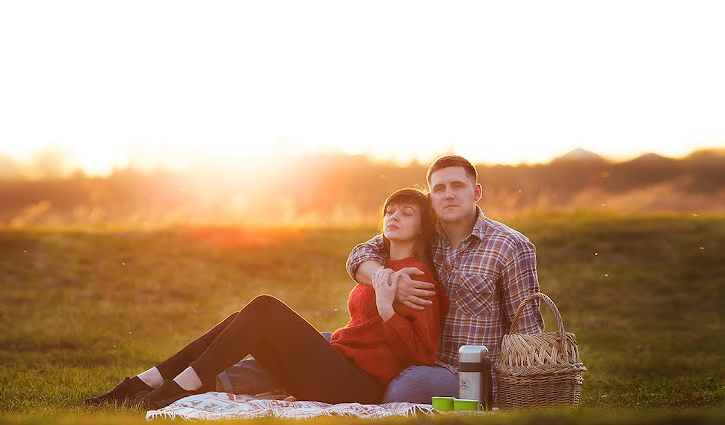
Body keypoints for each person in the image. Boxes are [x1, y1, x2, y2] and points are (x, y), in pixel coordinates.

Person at [216, 155, 544, 403]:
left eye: (457, 186)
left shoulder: (510, 246)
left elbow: (529, 330)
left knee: (404, 386)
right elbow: (358, 257)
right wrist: (391, 280)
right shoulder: (426, 235)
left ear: (477, 191)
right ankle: (219, 381)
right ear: (430, 197)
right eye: (439, 188)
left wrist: (521, 390)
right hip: (400, 347)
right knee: (326, 342)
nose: (448, 195)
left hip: (459, 371)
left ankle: (359, 412)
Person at [84, 188, 448, 410]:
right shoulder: (378, 265)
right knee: (245, 318)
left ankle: (176, 388)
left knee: (264, 308)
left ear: (422, 226)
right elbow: (357, 271)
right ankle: (145, 382)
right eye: (389, 211)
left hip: (358, 384)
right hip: (334, 364)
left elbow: (421, 355)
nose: (394, 217)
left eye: (406, 213)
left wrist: (388, 312)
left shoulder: (419, 279)